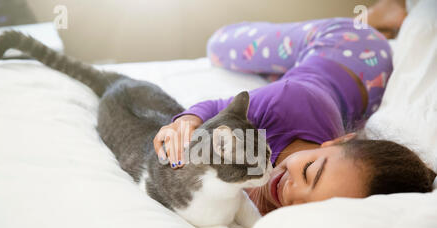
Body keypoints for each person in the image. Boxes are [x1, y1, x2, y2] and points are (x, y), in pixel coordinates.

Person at [153, 4, 435, 215]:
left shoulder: (320, 190)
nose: (291, 192)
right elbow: (215, 108)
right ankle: (377, 16)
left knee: (278, 77)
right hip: (349, 46)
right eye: (310, 170)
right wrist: (187, 121)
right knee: (217, 44)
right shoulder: (286, 102)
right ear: (338, 140)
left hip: (363, 93)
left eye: (309, 206)